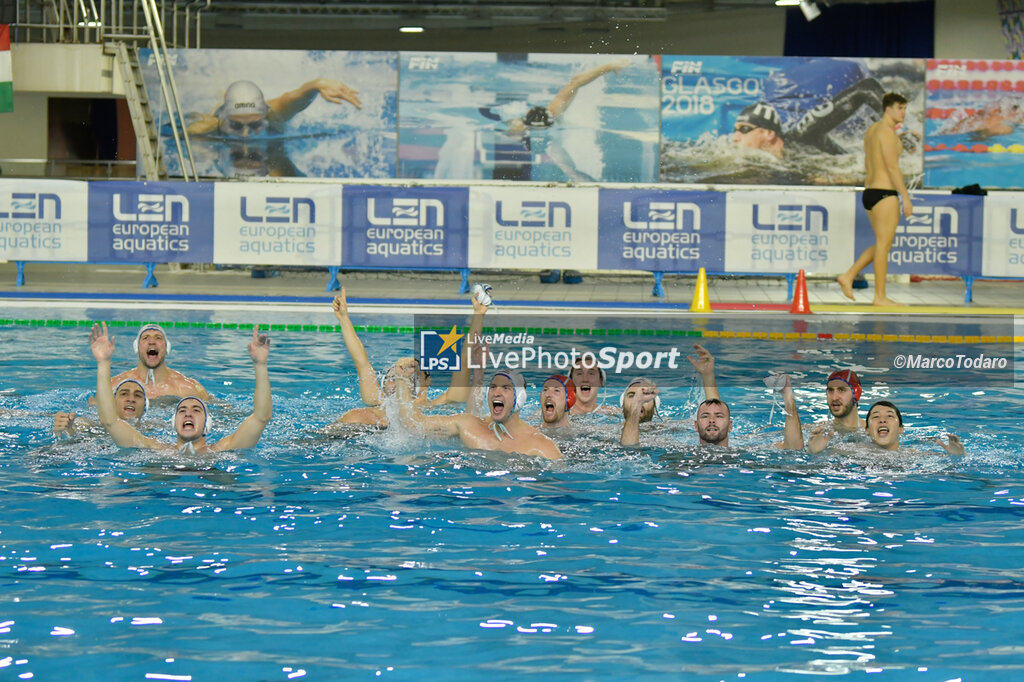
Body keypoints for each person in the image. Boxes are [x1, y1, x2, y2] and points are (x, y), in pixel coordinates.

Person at [90, 322, 272, 454]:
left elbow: (260, 418)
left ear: (208, 424)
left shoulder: (222, 449)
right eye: (182, 410)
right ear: (173, 423)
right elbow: (110, 421)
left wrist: (260, 365)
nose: (188, 414)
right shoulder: (155, 448)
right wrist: (103, 362)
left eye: (196, 410)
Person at [328, 286, 487, 428]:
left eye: (412, 377)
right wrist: (343, 318)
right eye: (393, 377)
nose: (400, 379)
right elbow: (361, 362)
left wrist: (478, 315)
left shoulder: (438, 405)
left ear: (426, 383)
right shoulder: (375, 400)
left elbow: (465, 360)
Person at [482, 59, 631, 181]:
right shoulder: (517, 127)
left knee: (571, 172)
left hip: (550, 140)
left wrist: (609, 66)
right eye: (536, 129)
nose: (541, 132)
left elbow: (575, 82)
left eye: (544, 128)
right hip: (538, 140)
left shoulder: (553, 112)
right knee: (571, 172)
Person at [396, 358, 561, 460]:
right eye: (493, 387)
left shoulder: (541, 446)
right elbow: (413, 424)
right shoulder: (467, 425)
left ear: (521, 399)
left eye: (505, 388)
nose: (496, 392)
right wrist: (402, 380)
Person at [837, 92, 914, 307]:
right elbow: (891, 167)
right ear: (888, 109)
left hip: (870, 193)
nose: (903, 112)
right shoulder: (886, 133)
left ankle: (848, 275)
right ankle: (879, 296)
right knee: (883, 244)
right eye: (900, 108)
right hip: (884, 193)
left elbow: (867, 163)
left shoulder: (872, 131)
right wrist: (905, 197)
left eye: (905, 108)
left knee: (882, 243)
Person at [685, 344, 803, 450]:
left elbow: (793, 448)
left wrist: (788, 397)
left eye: (719, 416)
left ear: (730, 426)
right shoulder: (680, 451)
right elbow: (717, 408)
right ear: (696, 425)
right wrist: (707, 376)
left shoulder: (745, 452)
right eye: (705, 416)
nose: (711, 420)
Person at [186, 79, 362, 139]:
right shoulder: (208, 125)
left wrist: (318, 85)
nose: (246, 135)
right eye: (237, 126)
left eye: (255, 125)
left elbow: (294, 97)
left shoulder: (273, 115)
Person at [94, 324, 211, 402]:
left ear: (166, 348)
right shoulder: (114, 386)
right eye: (145, 338)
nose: (152, 342)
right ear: (137, 348)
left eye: (158, 338)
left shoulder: (187, 388)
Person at [54, 378, 148, 438]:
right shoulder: (96, 425)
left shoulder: (152, 429)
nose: (131, 399)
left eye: (138, 395)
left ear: (145, 406)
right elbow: (79, 428)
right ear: (112, 404)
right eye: (124, 394)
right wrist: (67, 429)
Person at [864, 400, 964, 454]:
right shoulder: (852, 452)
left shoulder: (914, 455)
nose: (882, 420)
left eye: (890, 416)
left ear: (901, 429)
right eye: (876, 416)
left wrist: (956, 457)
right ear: (867, 430)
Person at [807, 369, 865, 454]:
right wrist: (811, 453)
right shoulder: (815, 431)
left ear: (856, 393)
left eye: (841, 390)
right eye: (830, 390)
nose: (834, 398)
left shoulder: (871, 432)